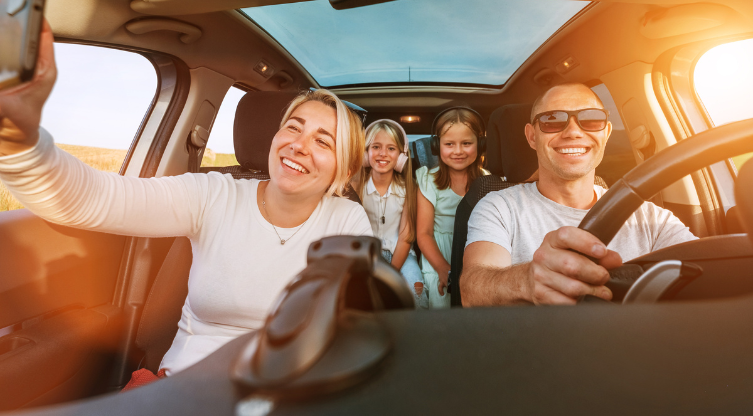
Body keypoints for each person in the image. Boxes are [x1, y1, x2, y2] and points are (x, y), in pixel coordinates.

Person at [0, 21, 373, 383]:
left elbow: (353, 332)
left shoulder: (346, 221)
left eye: (324, 141)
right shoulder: (214, 193)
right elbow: (95, 198)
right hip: (179, 389)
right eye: (294, 126)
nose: (299, 145)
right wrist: (20, 141)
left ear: (343, 170)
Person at [461, 83, 698, 306]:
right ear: (532, 137)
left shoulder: (650, 218)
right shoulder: (499, 206)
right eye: (552, 120)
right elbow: (472, 289)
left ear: (606, 132)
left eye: (591, 119)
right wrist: (527, 280)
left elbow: (705, 272)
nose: (573, 131)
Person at [416, 107, 488, 309]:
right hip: (438, 254)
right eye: (449, 144)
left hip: (476, 253)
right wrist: (442, 268)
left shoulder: (490, 182)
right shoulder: (428, 181)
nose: (458, 151)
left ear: (481, 145)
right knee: (442, 308)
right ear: (436, 146)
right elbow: (424, 233)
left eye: (466, 143)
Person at [357, 119, 427, 308]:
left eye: (391, 149)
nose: (382, 154)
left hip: (402, 256)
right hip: (366, 256)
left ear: (402, 156)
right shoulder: (358, 188)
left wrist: (391, 273)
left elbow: (405, 237)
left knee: (417, 293)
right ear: (366, 152)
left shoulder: (408, 189)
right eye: (376, 147)